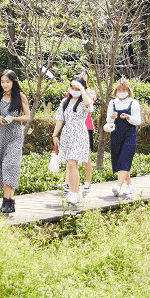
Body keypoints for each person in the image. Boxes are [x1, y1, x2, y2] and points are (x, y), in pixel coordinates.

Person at [52, 77, 93, 208]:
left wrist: (81, 88)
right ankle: (75, 192)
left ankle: (75, 193)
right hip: (67, 134)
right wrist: (54, 134)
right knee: (70, 165)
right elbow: (59, 119)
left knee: (72, 162)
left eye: (77, 88)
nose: (74, 91)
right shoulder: (65, 102)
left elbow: (89, 105)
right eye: (72, 88)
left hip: (79, 134)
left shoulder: (83, 102)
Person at [0, 69, 29, 215]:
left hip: (15, 134)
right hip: (3, 134)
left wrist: (14, 118)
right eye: (2, 82)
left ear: (13, 82)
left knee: (10, 165)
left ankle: (8, 200)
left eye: (7, 81)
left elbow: (27, 117)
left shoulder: (20, 96)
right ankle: (8, 202)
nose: (5, 84)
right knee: (2, 165)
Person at [104, 78, 141, 198]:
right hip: (116, 134)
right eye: (119, 89)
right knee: (119, 158)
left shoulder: (133, 103)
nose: (122, 91)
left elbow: (138, 121)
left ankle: (118, 186)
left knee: (125, 158)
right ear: (116, 90)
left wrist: (129, 117)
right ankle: (129, 184)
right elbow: (108, 121)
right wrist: (112, 117)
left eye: (124, 89)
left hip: (130, 134)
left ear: (128, 90)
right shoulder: (112, 103)